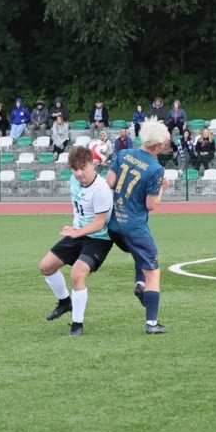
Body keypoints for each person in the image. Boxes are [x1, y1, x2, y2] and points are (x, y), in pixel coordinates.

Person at [39, 145, 114, 336]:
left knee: (77, 274)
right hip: (77, 233)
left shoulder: (101, 189)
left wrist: (77, 231)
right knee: (46, 267)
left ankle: (77, 325)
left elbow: (99, 223)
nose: (79, 173)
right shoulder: (73, 180)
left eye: (83, 167)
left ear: (93, 164)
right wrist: (75, 229)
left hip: (99, 239)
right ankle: (65, 302)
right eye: (75, 169)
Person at [106, 117, 172, 334]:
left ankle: (140, 284)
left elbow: (110, 183)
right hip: (134, 227)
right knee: (153, 270)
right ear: (157, 145)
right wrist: (162, 188)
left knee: (140, 255)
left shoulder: (123, 154)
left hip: (114, 224)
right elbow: (151, 205)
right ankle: (152, 323)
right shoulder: (155, 169)